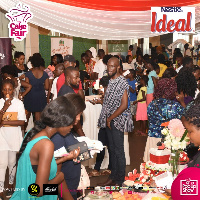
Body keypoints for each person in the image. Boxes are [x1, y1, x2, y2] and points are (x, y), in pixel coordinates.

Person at [10, 94, 85, 200]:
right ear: (62, 121)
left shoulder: (33, 133)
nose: (72, 126)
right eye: (71, 123)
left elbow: (39, 166)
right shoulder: (46, 144)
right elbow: (38, 191)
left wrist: (65, 158)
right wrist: (60, 177)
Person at [98, 57, 133, 186]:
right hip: (109, 120)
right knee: (112, 149)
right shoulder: (111, 81)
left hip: (116, 120)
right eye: (108, 66)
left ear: (118, 67)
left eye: (112, 66)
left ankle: (120, 179)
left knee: (118, 150)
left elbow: (124, 104)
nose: (109, 68)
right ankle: (113, 176)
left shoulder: (122, 82)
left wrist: (110, 118)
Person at [51, 94, 86, 200]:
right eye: (78, 114)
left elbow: (67, 152)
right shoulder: (58, 135)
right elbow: (56, 175)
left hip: (71, 188)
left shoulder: (66, 130)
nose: (79, 118)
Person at [144, 78, 184, 162]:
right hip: (169, 141)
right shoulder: (175, 106)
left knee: (152, 167)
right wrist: (182, 102)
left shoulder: (152, 104)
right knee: (167, 168)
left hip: (153, 138)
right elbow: (186, 119)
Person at [0, 79, 26, 199]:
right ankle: (1, 189)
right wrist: (4, 108)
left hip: (14, 136)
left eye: (9, 89)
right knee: (2, 163)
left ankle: (10, 185)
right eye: (5, 89)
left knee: (12, 162)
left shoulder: (18, 103)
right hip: (2, 137)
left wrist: (4, 121)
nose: (7, 92)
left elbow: (21, 122)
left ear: (13, 90)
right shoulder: (0, 103)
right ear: (2, 91)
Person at [88, 76, 112, 177]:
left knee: (103, 146)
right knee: (105, 146)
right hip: (106, 123)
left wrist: (100, 101)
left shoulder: (109, 92)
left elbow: (108, 107)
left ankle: (99, 169)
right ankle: (104, 168)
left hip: (108, 123)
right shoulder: (109, 91)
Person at [58, 66, 85, 137]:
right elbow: (76, 122)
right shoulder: (70, 93)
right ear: (68, 79)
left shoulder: (63, 88)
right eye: (76, 78)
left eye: (78, 77)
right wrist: (84, 137)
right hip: (71, 130)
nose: (79, 79)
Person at [24, 55, 49, 121]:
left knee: (27, 115)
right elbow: (47, 87)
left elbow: (26, 86)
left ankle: (23, 131)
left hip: (30, 95)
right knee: (38, 115)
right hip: (41, 96)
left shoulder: (28, 74)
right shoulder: (45, 74)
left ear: (32, 64)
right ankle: (37, 130)